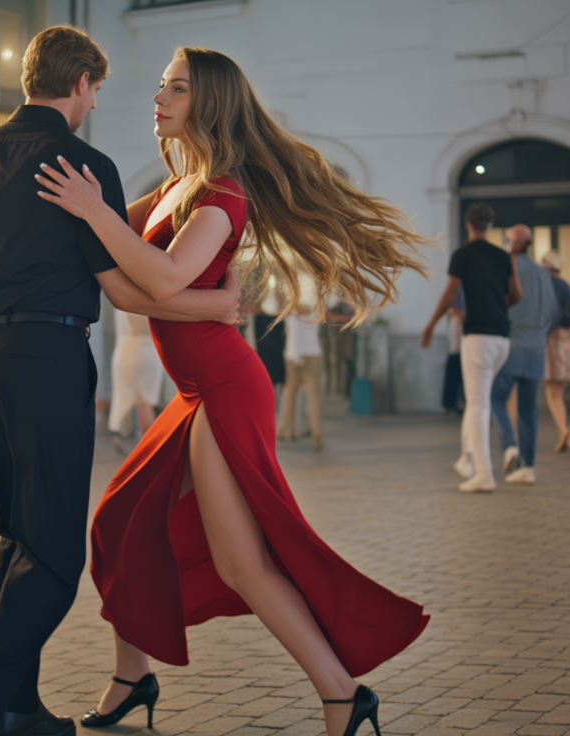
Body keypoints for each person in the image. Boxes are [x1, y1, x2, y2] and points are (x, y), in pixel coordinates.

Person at [36, 46, 430, 736]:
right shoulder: (176, 190)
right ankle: (132, 677)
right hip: (194, 392)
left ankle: (342, 694)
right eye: (161, 85)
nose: (159, 98)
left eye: (178, 89)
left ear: (209, 104)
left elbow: (156, 281)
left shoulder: (222, 194)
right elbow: (112, 270)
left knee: (242, 563)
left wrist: (94, 214)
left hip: (221, 388)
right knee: (118, 527)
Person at [0, 27, 242, 736]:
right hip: (44, 356)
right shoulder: (84, 167)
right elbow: (127, 292)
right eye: (97, 91)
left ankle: (19, 710)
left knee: (19, 539)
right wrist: (217, 305)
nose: (95, 103)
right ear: (81, 85)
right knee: (51, 556)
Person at [420, 204, 522, 492]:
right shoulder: (503, 256)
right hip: (502, 338)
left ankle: (483, 475)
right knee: (480, 402)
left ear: (468, 225)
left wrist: (429, 327)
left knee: (477, 406)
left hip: (477, 337)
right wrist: (497, 308)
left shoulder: (462, 255)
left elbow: (450, 293)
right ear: (489, 225)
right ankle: (466, 459)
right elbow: (516, 294)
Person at [489, 225, 557, 486]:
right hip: (537, 349)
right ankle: (528, 467)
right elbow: (552, 313)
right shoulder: (543, 274)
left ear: (510, 243)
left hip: (511, 345)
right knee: (529, 411)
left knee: (496, 399)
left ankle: (510, 446)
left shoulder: (505, 269)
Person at [278, 291, 329, 451]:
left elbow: (294, 337)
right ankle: (317, 437)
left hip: (294, 358)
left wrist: (297, 356)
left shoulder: (291, 313)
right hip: (313, 355)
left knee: (290, 395)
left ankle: (288, 430)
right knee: (314, 398)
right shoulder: (315, 311)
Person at [541, 252, 570, 453]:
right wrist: (563, 325)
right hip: (565, 343)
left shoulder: (545, 286)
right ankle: (564, 433)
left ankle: (564, 430)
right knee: (559, 392)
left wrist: (551, 327)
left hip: (549, 342)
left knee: (552, 392)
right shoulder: (565, 286)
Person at [108, 309, 166, 449]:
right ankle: (151, 450)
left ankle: (143, 446)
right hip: (143, 349)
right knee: (145, 402)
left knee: (137, 401)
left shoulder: (120, 295)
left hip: (124, 350)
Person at [440, 289, 465, 414]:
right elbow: (451, 309)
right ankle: (449, 404)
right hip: (460, 329)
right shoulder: (457, 286)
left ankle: (455, 403)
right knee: (454, 367)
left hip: (466, 330)